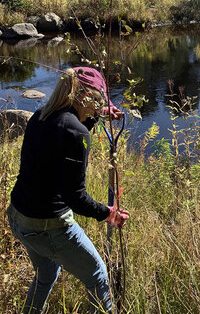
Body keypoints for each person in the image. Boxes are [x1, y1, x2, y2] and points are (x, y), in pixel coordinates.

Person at [7, 66, 129, 314]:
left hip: (19, 217)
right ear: (84, 96)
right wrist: (108, 213)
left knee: (46, 273)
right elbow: (76, 197)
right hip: (48, 227)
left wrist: (99, 115)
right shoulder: (76, 132)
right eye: (98, 99)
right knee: (96, 274)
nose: (99, 104)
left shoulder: (42, 115)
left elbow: (69, 133)